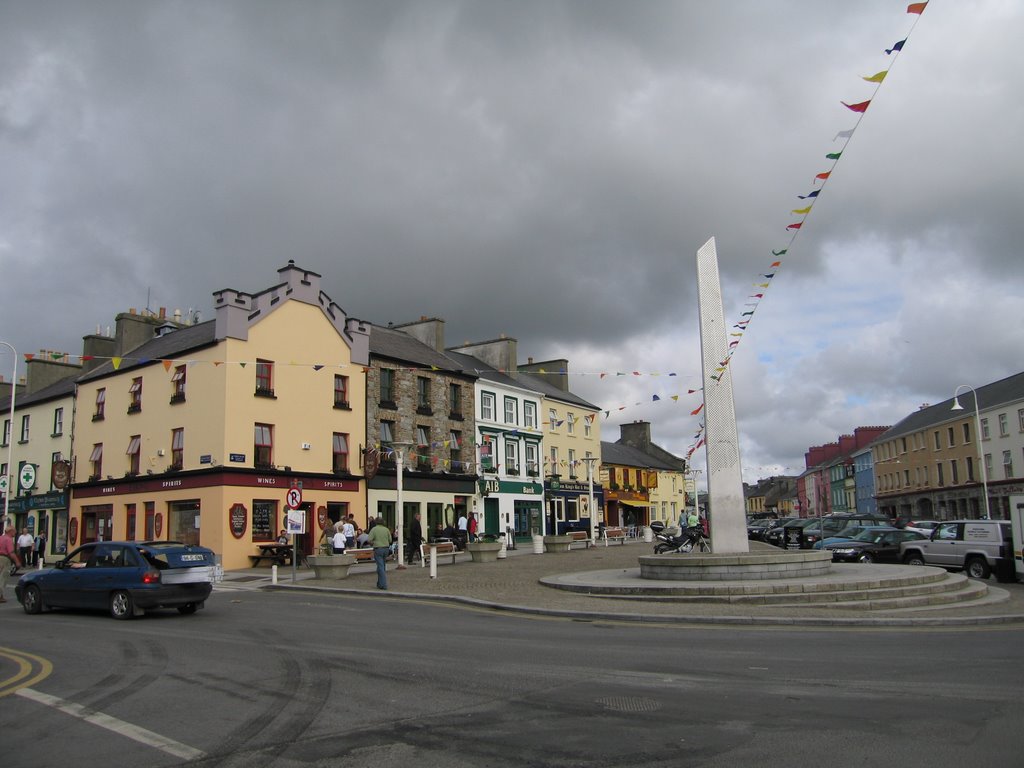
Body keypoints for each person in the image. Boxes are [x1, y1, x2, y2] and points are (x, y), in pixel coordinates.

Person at [367, 517, 392, 590]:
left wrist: (373, 543)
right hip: (386, 548)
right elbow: (390, 540)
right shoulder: (386, 529)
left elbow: (369, 540)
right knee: (382, 565)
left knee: (380, 566)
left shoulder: (374, 529)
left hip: (378, 548)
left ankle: (383, 584)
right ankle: (379, 583)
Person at [0, 526, 21, 602]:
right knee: (3, 577)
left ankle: (1, 596)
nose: (15, 533)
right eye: (15, 531)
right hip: (4, 559)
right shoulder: (8, 540)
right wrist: (17, 562)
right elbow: (11, 553)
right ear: (11, 531)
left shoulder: (1, 538)